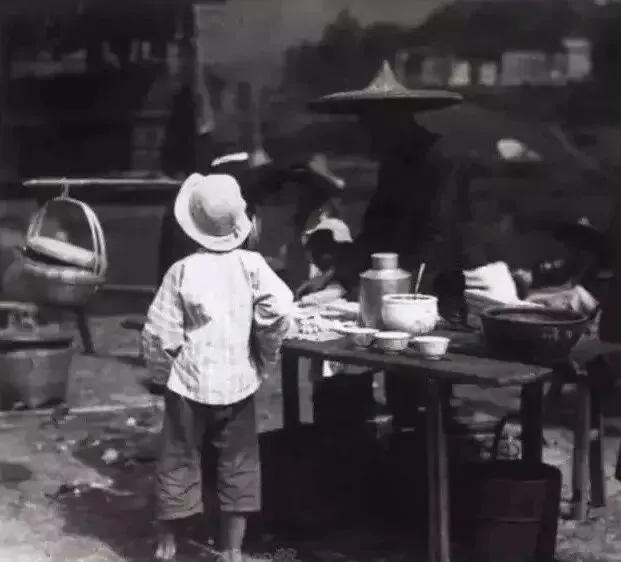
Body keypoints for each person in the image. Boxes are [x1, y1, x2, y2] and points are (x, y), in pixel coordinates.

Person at [141, 173, 293, 562]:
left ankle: (167, 542)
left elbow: (159, 333)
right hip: (237, 382)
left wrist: (162, 374)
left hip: (188, 382)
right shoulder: (252, 265)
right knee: (238, 463)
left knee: (178, 456)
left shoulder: (182, 270)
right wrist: (263, 352)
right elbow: (280, 309)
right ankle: (231, 550)